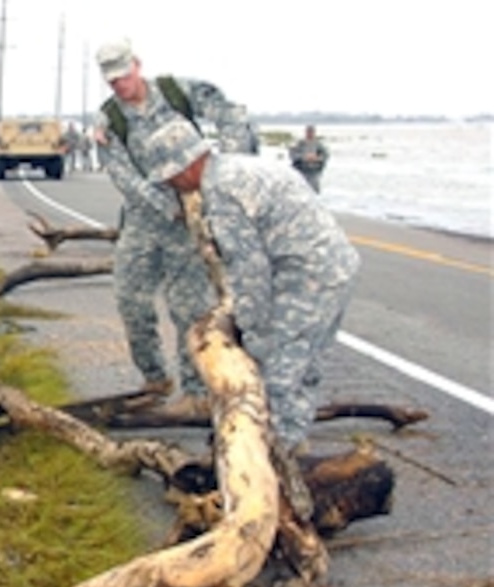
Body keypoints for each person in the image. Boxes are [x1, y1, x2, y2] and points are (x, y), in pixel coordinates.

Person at [141, 117, 360, 454]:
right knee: (306, 366)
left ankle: (276, 463)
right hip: (337, 266)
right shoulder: (239, 168)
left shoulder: (222, 193)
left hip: (307, 277)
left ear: (185, 165)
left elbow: (250, 272)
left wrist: (250, 334)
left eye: (170, 177)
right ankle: (295, 444)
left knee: (277, 374)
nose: (170, 184)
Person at [93, 37, 260, 413]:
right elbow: (123, 177)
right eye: (112, 80)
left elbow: (232, 114)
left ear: (137, 65)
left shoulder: (177, 92)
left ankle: (196, 393)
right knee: (130, 301)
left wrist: (226, 169)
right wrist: (166, 205)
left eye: (124, 75)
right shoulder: (109, 120)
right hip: (146, 220)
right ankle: (154, 378)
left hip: (192, 215)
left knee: (189, 309)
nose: (120, 85)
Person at [289, 124, 330, 192]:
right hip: (302, 171)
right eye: (308, 132)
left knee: (314, 189)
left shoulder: (318, 144)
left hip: (314, 172)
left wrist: (317, 158)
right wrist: (303, 157)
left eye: (311, 132)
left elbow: (326, 155)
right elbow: (292, 154)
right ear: (305, 132)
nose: (310, 134)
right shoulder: (300, 144)